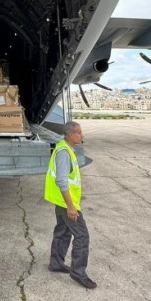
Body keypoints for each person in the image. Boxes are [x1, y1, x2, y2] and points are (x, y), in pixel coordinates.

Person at [45, 121, 96, 289]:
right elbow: (61, 180)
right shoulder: (64, 152)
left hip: (62, 202)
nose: (81, 136)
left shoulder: (66, 148)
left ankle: (56, 263)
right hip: (67, 204)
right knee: (82, 236)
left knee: (63, 232)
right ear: (69, 134)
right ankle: (78, 273)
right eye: (78, 133)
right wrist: (71, 207)